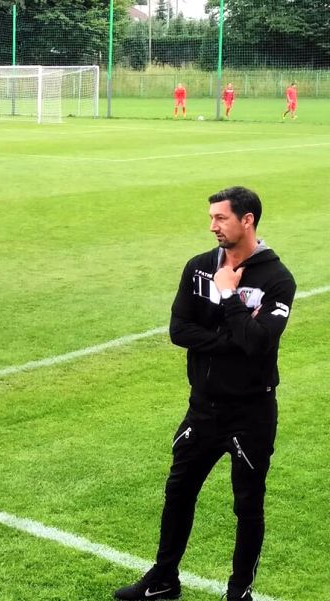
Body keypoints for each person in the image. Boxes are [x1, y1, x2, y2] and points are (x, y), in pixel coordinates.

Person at [113, 186, 296, 601]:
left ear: (247, 220)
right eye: (211, 217)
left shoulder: (277, 279)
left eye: (221, 218)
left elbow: (259, 343)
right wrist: (233, 336)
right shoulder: (198, 268)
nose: (213, 225)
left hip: (251, 413)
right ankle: (163, 580)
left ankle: (239, 592)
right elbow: (180, 331)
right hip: (204, 408)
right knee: (179, 491)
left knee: (247, 505)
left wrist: (229, 294)